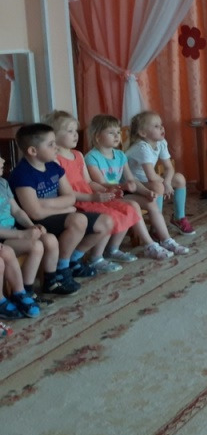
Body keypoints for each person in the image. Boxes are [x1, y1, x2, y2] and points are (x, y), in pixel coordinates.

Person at [8, 123, 113, 292]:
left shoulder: (53, 166)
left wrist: (46, 203)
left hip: (54, 215)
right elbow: (35, 212)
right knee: (78, 220)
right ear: (33, 151)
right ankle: (61, 269)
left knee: (106, 222)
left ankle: (73, 260)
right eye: (51, 144)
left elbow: (70, 197)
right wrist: (64, 208)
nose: (56, 147)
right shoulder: (22, 174)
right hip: (36, 223)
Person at [46, 110, 137, 271]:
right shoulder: (54, 160)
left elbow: (88, 182)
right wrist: (94, 197)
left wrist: (106, 189)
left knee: (128, 209)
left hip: (90, 196)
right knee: (109, 216)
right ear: (53, 135)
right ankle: (95, 257)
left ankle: (111, 249)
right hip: (77, 201)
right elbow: (65, 192)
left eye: (76, 130)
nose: (76, 135)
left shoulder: (78, 155)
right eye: (70, 131)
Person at [84, 114, 179, 259]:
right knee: (133, 206)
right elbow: (102, 184)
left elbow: (131, 179)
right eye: (111, 133)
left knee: (151, 203)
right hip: (103, 197)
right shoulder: (91, 157)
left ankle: (166, 239)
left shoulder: (120, 155)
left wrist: (146, 192)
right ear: (97, 137)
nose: (117, 136)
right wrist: (124, 186)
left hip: (120, 194)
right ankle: (149, 245)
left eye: (118, 132)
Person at [125, 110, 196, 236]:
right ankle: (156, 226)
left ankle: (179, 217)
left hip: (147, 181)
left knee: (179, 179)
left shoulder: (161, 143)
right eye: (156, 126)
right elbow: (151, 176)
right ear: (143, 133)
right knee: (158, 186)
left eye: (161, 125)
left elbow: (169, 168)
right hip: (131, 184)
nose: (162, 128)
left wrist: (167, 183)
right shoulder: (142, 147)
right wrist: (164, 185)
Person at [0, 151, 58, 301]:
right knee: (35, 246)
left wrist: (31, 226)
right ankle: (24, 292)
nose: (2, 160)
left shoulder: (3, 183)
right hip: (3, 238)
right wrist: (22, 234)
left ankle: (33, 288)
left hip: (12, 232)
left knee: (46, 239)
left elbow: (17, 211)